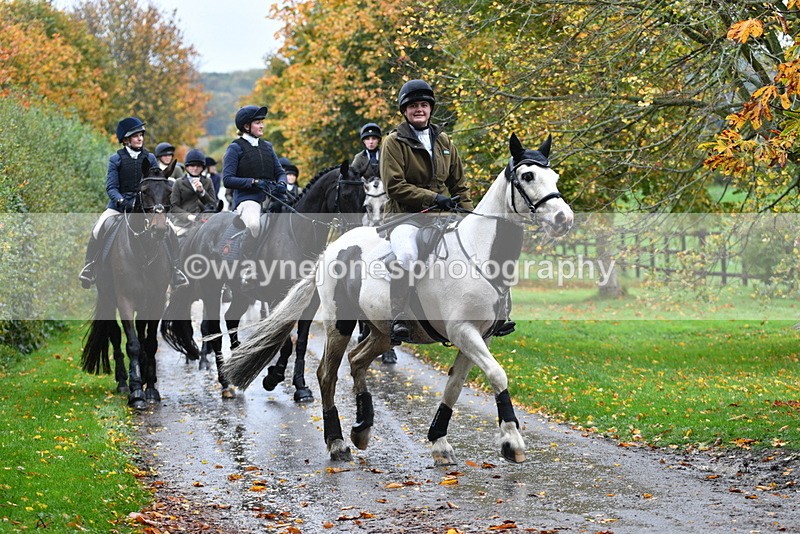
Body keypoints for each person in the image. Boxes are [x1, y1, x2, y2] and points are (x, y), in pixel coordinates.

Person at [380, 79, 474, 345]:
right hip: (404, 218)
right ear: (405, 111)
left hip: (442, 216)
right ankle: (398, 316)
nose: (419, 109)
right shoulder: (393, 142)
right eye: (413, 106)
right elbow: (394, 186)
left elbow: (460, 184)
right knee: (409, 253)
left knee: (471, 248)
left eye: (423, 105)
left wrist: (469, 216)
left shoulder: (444, 141)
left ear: (430, 108)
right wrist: (433, 197)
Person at [78, 117, 189, 289]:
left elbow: (156, 183)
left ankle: (175, 269)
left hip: (146, 207)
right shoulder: (116, 159)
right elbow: (111, 187)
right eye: (135, 136)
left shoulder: (150, 158)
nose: (140, 139)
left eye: (141, 135)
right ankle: (90, 267)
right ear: (126, 139)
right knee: (99, 227)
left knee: (171, 230)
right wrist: (122, 201)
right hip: (120, 206)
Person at [222, 105, 288, 258]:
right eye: (258, 122)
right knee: (254, 225)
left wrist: (282, 183)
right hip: (248, 199)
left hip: (273, 196)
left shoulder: (267, 147)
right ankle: (246, 262)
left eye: (262, 122)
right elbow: (227, 179)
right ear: (246, 126)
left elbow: (280, 172)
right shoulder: (235, 148)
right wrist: (252, 182)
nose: (262, 125)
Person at [171, 149, 219, 235]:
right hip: (183, 224)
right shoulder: (178, 182)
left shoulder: (208, 181)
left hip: (204, 224)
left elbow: (213, 204)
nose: (195, 168)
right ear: (187, 167)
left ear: (202, 167)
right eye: (192, 165)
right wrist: (188, 216)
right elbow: (174, 207)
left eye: (198, 166)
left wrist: (202, 192)